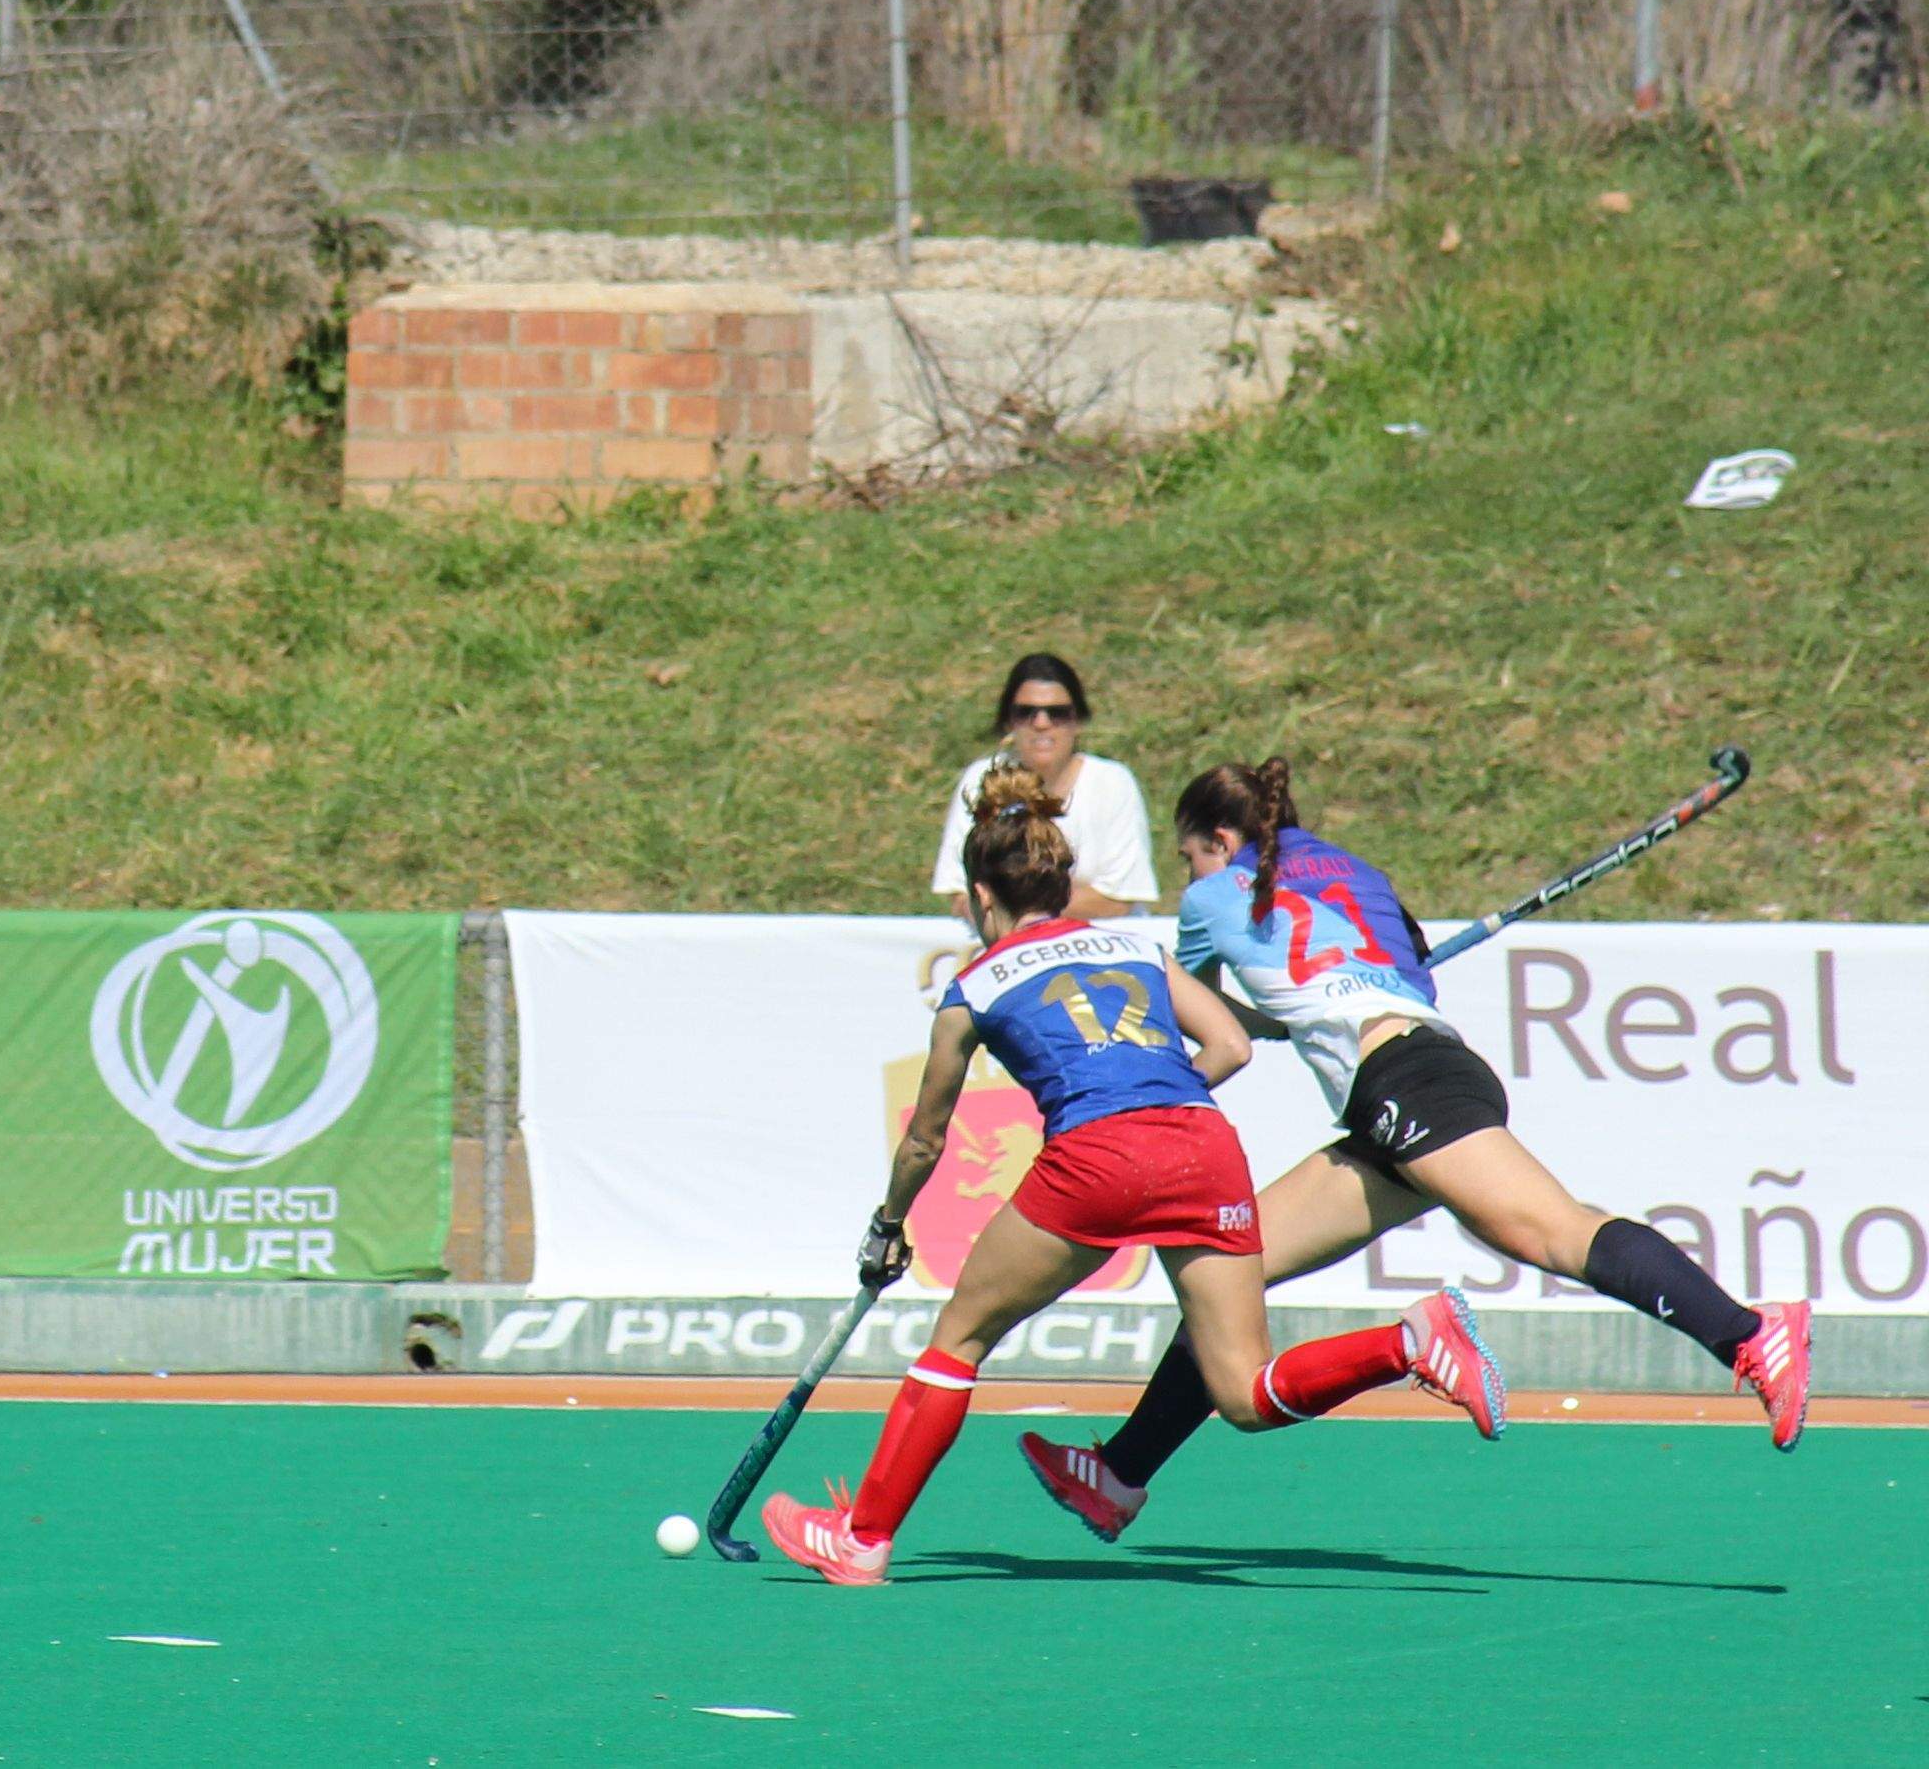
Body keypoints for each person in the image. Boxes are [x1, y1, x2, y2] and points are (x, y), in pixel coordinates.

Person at [1019, 757, 1810, 1545]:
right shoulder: (1359, 872)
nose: (1190, 874)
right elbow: (1399, 978)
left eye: (1191, 855)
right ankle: (1122, 1471)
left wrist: (1276, 1016)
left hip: (1409, 1084)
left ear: (1220, 841)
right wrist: (1299, 1011)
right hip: (1413, 1077)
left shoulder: (1209, 898)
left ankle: (1747, 1331)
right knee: (1233, 1269)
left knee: (1555, 1231)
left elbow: (1185, 1008)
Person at [757, 766, 1505, 1588]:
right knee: (1244, 1392)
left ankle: (863, 1538)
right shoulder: (1134, 947)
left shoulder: (974, 986)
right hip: (1201, 1145)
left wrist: (889, 1223)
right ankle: (1410, 1340)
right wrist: (1162, 1093)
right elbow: (1231, 1045)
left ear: (980, 895)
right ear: (1060, 885)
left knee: (960, 1338)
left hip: (1094, 1158)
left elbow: (925, 1142)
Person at [931, 653, 1158, 923]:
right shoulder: (982, 780)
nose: (1041, 723)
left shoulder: (1112, 784)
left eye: (1057, 713)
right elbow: (961, 894)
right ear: (1009, 721)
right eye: (1026, 712)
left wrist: (1013, 906)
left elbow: (1117, 900)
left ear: (1078, 720)